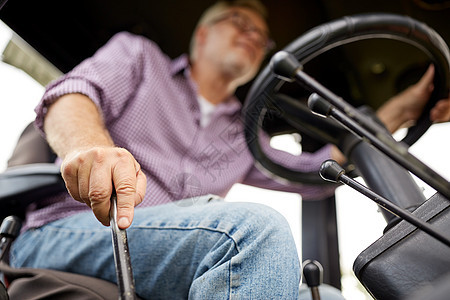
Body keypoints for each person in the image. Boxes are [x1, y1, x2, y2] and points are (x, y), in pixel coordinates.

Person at [9, 0, 450, 299]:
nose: (253, 35)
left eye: (261, 36)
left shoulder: (244, 133)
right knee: (249, 232)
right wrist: (90, 147)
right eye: (239, 21)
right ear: (202, 35)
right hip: (75, 231)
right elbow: (73, 93)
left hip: (173, 251)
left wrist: (402, 112)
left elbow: (318, 173)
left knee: (327, 295)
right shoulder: (139, 57)